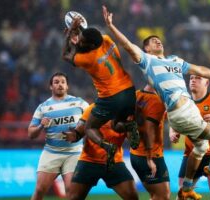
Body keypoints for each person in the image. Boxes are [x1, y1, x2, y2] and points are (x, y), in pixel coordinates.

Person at [103, 5, 210, 199]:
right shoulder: (147, 61)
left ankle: (187, 187)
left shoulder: (175, 60)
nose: (157, 41)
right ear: (146, 48)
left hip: (187, 111)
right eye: (152, 41)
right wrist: (111, 27)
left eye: (158, 40)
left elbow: (199, 70)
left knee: (200, 148)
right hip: (181, 111)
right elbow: (128, 46)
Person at [62, 16, 140, 161]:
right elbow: (91, 38)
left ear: (90, 46)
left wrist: (69, 34)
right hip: (129, 90)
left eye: (82, 40)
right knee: (116, 125)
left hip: (111, 96)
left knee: (90, 128)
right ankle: (130, 126)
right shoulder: (106, 39)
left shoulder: (88, 59)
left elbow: (66, 55)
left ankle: (107, 146)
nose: (80, 41)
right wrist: (79, 30)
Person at [28, 72, 89, 200]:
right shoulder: (43, 107)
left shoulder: (80, 103)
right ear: (51, 87)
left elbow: (93, 121)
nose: (60, 84)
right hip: (52, 153)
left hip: (74, 153)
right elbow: (30, 133)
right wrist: (40, 126)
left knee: (72, 192)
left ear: (67, 86)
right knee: (39, 190)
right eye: (56, 82)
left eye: (63, 82)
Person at [63, 103, 139, 200]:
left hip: (114, 161)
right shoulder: (94, 108)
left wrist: (132, 129)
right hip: (89, 161)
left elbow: (133, 142)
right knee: (73, 198)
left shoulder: (128, 113)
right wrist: (75, 135)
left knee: (132, 197)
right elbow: (80, 130)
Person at [130, 84, 170, 200]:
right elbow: (149, 130)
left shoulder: (136, 95)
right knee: (162, 196)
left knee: (156, 195)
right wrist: (150, 158)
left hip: (136, 153)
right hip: (150, 155)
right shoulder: (155, 100)